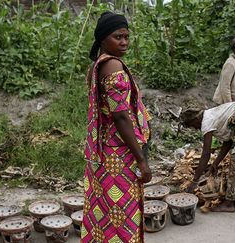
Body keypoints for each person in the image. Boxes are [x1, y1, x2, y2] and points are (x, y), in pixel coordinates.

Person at [82, 11, 152, 242]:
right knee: (122, 214)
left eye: (126, 37)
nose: (124, 42)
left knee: (105, 214)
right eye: (117, 37)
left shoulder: (97, 65)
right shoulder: (112, 66)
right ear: (102, 39)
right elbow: (120, 116)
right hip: (118, 156)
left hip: (103, 153)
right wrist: (141, 159)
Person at [213, 35, 235, 105]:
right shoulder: (230, 63)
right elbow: (225, 86)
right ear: (233, 49)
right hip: (225, 105)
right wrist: (229, 105)